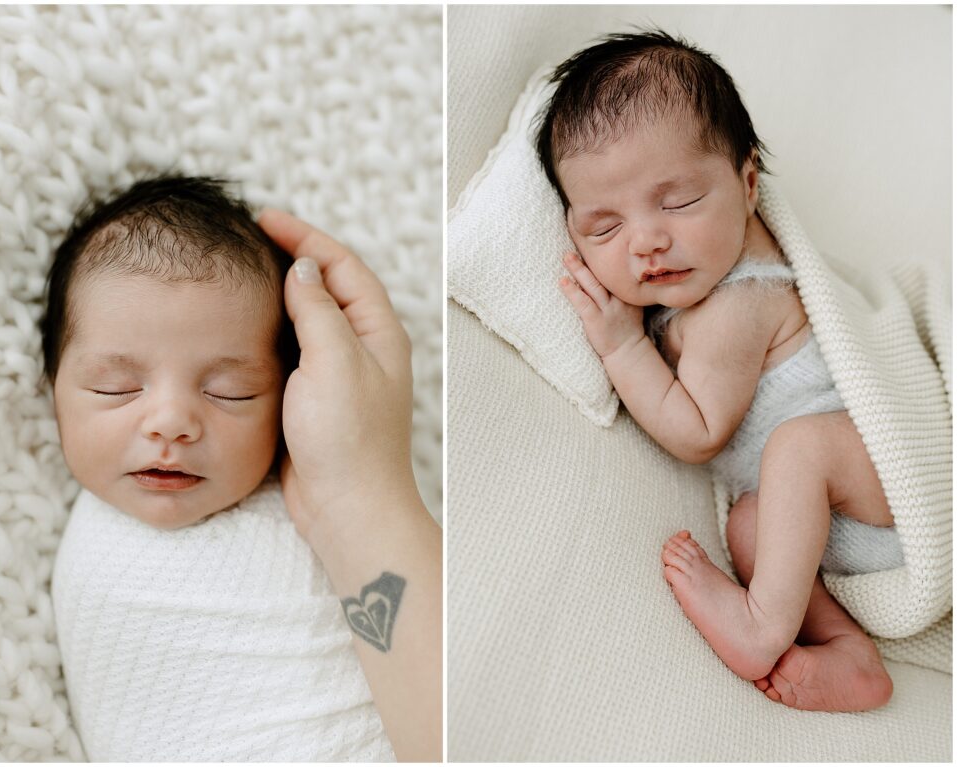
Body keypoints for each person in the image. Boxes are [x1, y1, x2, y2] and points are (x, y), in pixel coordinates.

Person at [536, 30, 898, 712]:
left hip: (881, 481)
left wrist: (621, 346)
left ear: (749, 182)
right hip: (827, 516)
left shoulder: (739, 297)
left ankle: (763, 625)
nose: (647, 239)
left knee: (800, 447)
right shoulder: (689, 282)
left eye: (677, 203)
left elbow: (698, 429)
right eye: (604, 228)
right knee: (749, 527)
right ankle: (848, 648)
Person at [44, 174, 441, 761]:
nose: (172, 421)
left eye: (231, 392)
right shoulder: (97, 561)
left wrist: (358, 489)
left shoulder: (326, 490)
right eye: (117, 387)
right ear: (50, 388)